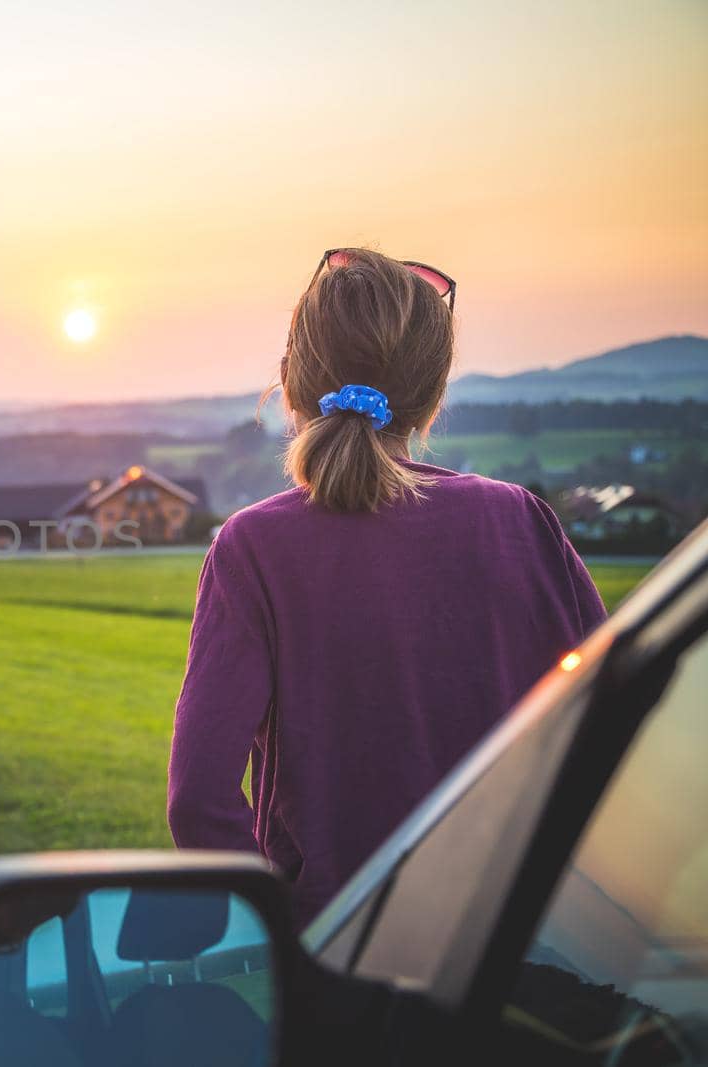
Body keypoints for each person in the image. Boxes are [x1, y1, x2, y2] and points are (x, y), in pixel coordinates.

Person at [166, 247, 606, 930]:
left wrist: (286, 936)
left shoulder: (252, 548)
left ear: (290, 382)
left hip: (344, 969)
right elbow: (610, 730)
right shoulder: (523, 522)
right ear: (434, 392)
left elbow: (198, 801)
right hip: (521, 951)